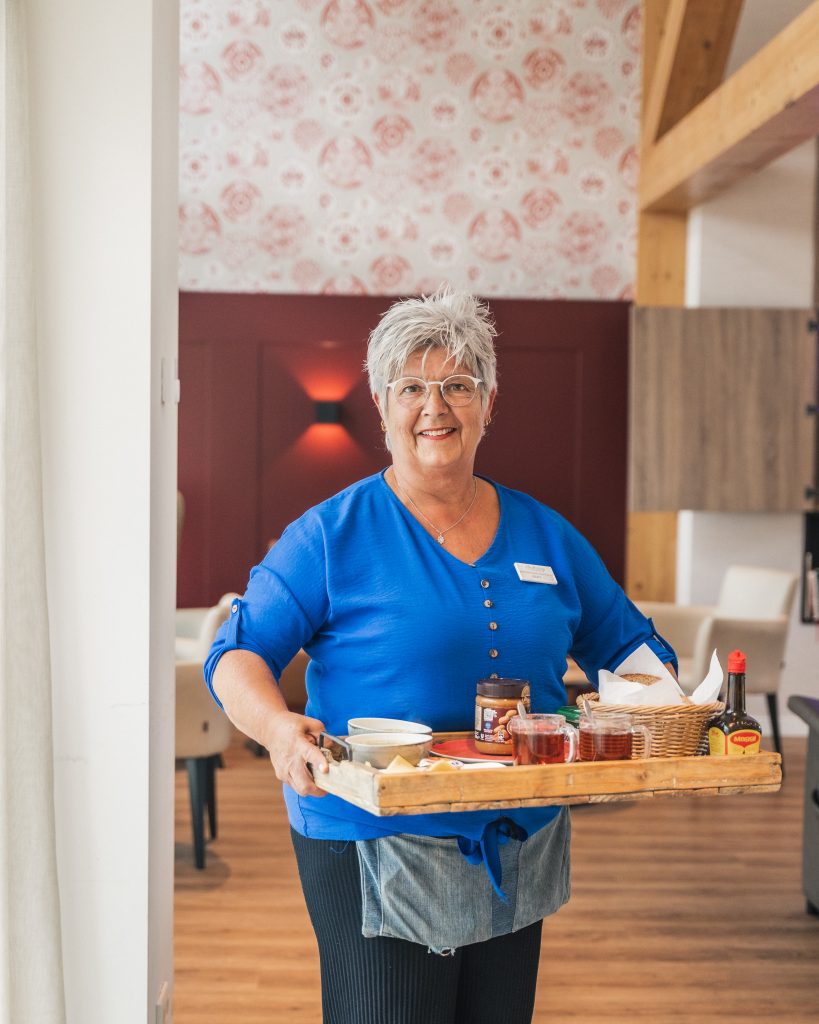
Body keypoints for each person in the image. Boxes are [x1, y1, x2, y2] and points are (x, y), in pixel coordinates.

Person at [205, 289, 676, 1024]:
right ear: (380, 402)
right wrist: (273, 728)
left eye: (458, 385)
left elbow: (633, 646)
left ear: (488, 404)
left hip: (517, 831)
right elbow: (235, 655)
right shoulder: (330, 534)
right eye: (412, 387)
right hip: (372, 833)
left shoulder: (547, 535)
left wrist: (647, 706)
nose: (436, 407)